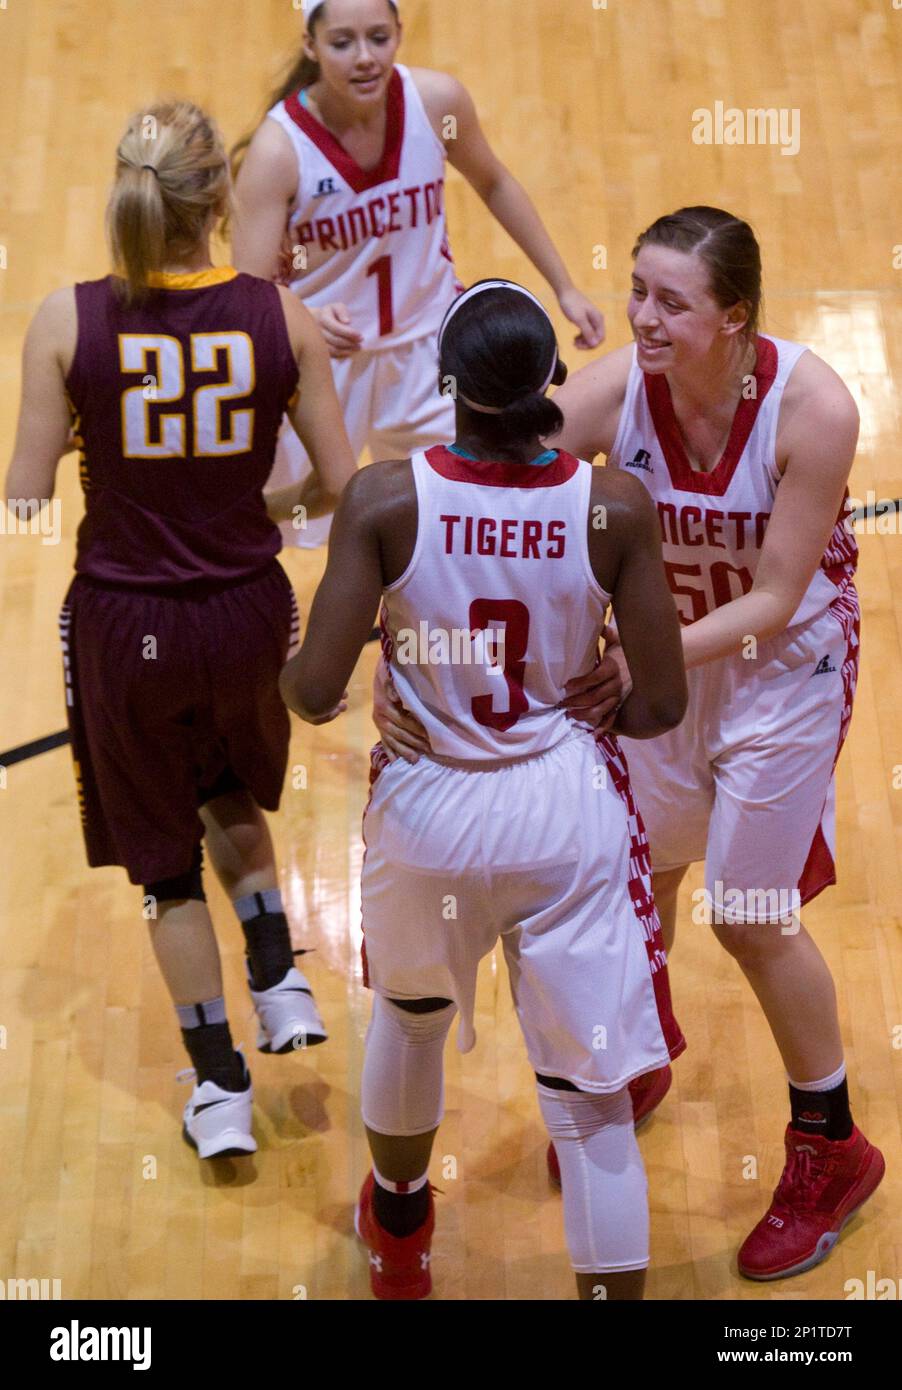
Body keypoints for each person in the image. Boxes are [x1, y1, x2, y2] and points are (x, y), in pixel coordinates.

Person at [377, 207, 885, 1282]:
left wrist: (638, 662)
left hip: (774, 676)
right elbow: (480, 490)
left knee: (749, 915)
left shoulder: (813, 409)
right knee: (632, 874)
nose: (639, 317)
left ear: (734, 319)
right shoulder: (614, 392)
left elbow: (775, 597)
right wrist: (402, 653)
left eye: (668, 301)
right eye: (636, 292)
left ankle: (828, 1142)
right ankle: (638, 1056)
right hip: (664, 669)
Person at [280, 279, 688, 1299]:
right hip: (562, 812)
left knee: (410, 1021)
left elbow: (312, 691)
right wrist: (598, 704)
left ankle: (404, 1231)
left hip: (430, 807)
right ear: (553, 384)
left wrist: (375, 675)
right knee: (590, 1107)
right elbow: (661, 703)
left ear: (442, 384)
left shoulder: (382, 498)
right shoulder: (610, 507)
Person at [4, 101, 356, 1161]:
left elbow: (23, 495)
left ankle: (219, 1089)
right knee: (226, 788)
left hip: (128, 624)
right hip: (247, 607)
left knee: (165, 866)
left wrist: (84, 437)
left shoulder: (65, 324)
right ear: (217, 199)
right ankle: (280, 974)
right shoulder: (281, 319)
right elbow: (345, 492)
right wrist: (263, 511)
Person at [230, 0, 605, 547]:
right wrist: (305, 317)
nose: (365, 58)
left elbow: (494, 182)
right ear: (310, 46)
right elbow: (243, 292)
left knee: (453, 511)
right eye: (342, 43)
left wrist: (565, 285)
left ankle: (410, 623)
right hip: (321, 363)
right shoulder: (278, 149)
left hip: (429, 357)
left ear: (400, 33)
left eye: (379, 38)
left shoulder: (435, 102)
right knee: (279, 519)